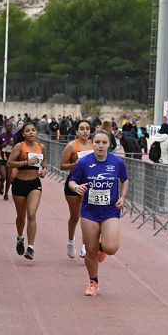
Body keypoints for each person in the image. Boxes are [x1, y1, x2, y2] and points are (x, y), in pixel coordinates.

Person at [67, 129, 129, 296]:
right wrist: (76, 187)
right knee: (90, 249)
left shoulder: (117, 162)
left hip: (110, 211)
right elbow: (72, 181)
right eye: (97, 142)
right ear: (92, 143)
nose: (101, 146)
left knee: (111, 248)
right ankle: (93, 282)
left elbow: (125, 179)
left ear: (109, 144)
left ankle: (102, 246)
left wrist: (122, 197)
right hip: (89, 212)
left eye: (104, 143)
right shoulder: (84, 162)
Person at [6, 123, 46, 259]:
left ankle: (31, 247)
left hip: (35, 184)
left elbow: (44, 162)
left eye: (33, 130)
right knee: (21, 217)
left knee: (32, 214)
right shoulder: (19, 146)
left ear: (36, 132)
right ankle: (20, 237)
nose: (31, 132)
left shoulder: (41, 147)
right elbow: (9, 163)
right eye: (27, 131)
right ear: (23, 134)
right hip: (19, 184)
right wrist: (25, 163)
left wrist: (44, 170)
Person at [60, 120, 95, 259]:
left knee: (88, 216)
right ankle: (70, 241)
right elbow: (62, 165)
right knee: (75, 216)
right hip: (74, 183)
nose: (85, 131)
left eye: (87, 128)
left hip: (91, 184)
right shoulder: (71, 146)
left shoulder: (94, 145)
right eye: (81, 128)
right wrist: (75, 164)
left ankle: (85, 245)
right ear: (76, 131)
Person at [0, 120, 16, 200]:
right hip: (2, 159)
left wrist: (13, 144)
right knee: (3, 176)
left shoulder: (14, 137)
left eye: (11, 126)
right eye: (8, 126)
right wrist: (2, 145)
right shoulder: (1, 136)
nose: (9, 127)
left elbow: (17, 148)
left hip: (10, 160)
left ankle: (6, 194)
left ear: (13, 127)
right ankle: (1, 183)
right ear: (5, 126)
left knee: (9, 178)